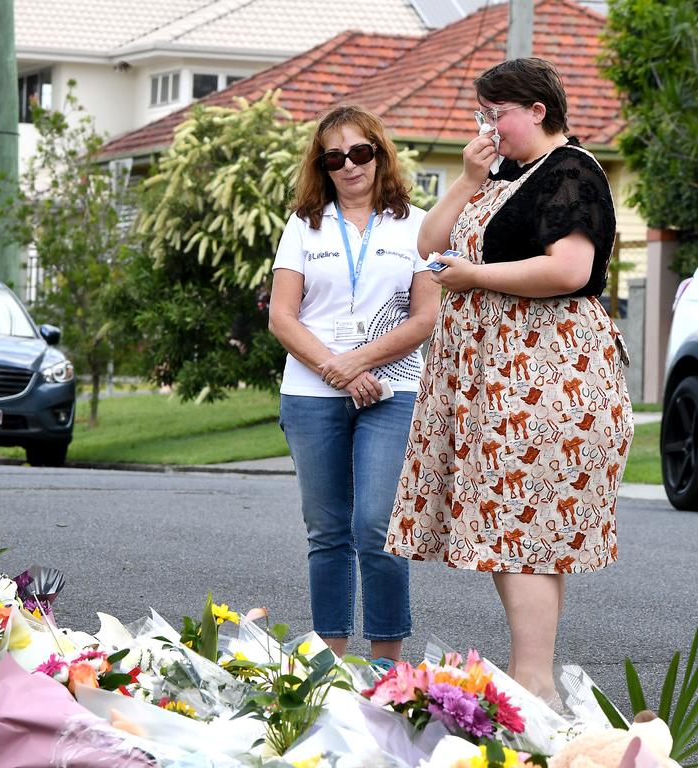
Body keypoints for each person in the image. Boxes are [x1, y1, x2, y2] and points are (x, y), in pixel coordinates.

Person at [384, 58, 633, 703]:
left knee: (525, 529)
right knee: (509, 528)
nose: (488, 128)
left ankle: (535, 684)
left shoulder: (572, 172)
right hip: (491, 373)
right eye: (483, 116)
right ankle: (534, 682)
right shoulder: (498, 175)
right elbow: (429, 244)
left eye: (497, 115)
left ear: (537, 111)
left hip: (545, 370)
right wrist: (465, 180)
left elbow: (570, 270)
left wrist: (474, 277)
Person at [269, 104, 440, 664]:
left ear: (380, 155)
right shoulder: (303, 225)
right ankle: (333, 664)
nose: (349, 166)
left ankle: (389, 669)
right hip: (312, 393)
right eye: (334, 157)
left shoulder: (416, 225)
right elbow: (282, 317)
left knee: (378, 525)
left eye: (360, 153)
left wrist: (357, 364)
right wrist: (335, 369)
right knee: (327, 530)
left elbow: (424, 318)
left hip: (394, 392)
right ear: (322, 165)